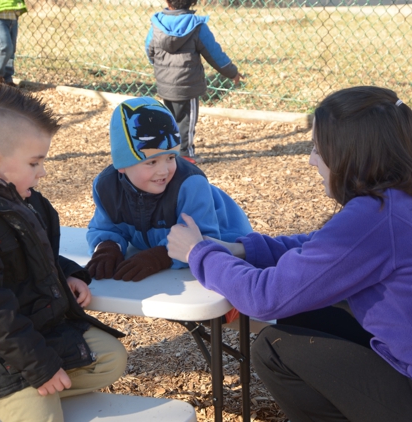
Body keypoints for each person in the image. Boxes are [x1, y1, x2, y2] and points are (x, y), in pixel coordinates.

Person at [166, 86, 412, 421]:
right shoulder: (397, 198)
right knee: (305, 317)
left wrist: (199, 252)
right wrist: (242, 249)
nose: (311, 159)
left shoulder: (376, 215)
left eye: (318, 148)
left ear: (351, 155)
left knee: (274, 349)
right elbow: (321, 247)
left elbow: (265, 297)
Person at [0, 83, 127, 422]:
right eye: (35, 162)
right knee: (44, 417)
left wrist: (68, 272)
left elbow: (38, 253)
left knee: (111, 358)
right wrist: (42, 369)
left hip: (30, 334)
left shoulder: (17, 197)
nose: (42, 172)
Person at [85, 96, 252, 325]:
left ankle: (234, 306)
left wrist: (161, 256)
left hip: (230, 244)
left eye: (171, 157)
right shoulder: (106, 187)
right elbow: (106, 226)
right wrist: (107, 246)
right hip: (172, 258)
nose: (163, 170)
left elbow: (203, 240)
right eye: (151, 162)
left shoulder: (190, 184)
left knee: (219, 301)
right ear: (122, 165)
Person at [145, 0, 242, 165]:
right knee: (187, 121)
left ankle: (169, 152)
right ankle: (185, 153)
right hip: (187, 85)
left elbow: (149, 49)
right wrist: (232, 72)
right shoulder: (197, 26)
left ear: (167, 1)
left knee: (170, 118)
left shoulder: (157, 23)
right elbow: (214, 54)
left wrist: (160, 67)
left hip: (165, 83)